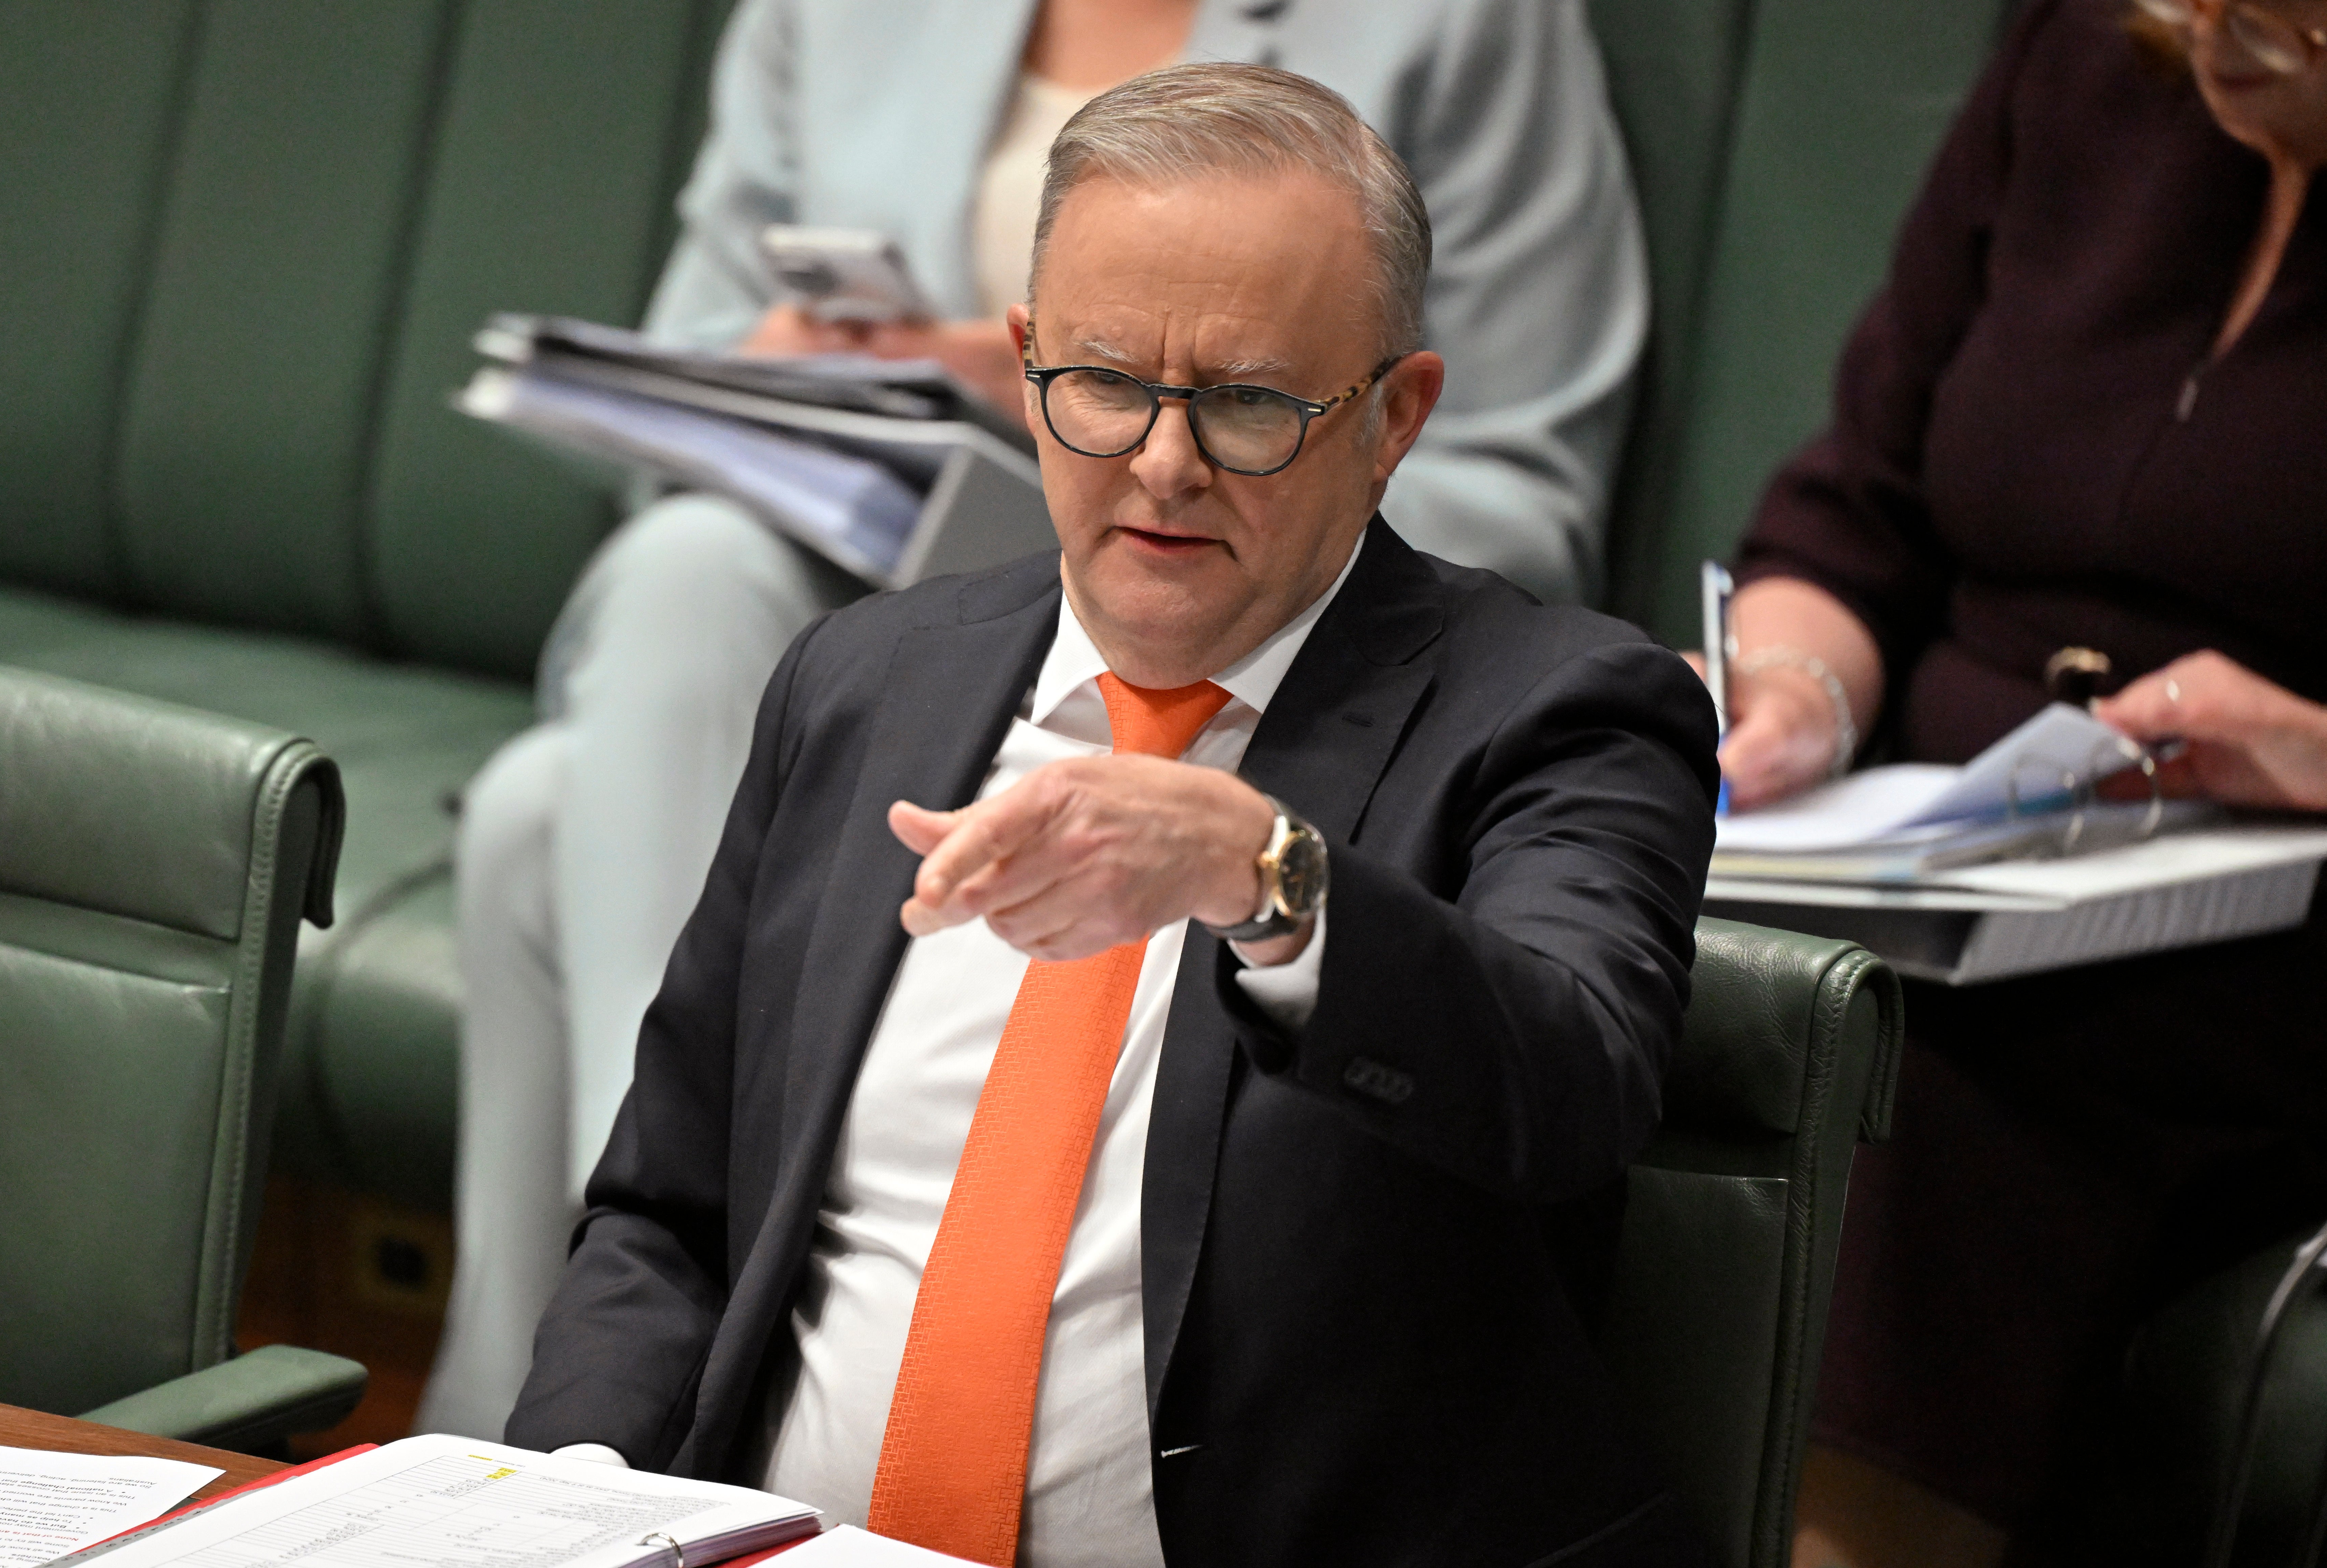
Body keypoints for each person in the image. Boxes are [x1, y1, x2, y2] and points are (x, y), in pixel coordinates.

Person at [501, 63, 1716, 1568]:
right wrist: (570, 1498)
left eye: (1248, 404)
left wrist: (1263, 873)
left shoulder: (1555, 711)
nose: (1161, 463)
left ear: (1394, 417)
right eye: (1106, 385)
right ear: (1023, 367)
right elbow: (667, 1216)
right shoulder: (866, 681)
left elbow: (1573, 1077)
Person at [1702, 0, 2327, 1562]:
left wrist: (2308, 748)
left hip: (2267, 942)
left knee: (1921, 1088)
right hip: (1959, 859)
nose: (2206, 37)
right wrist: (1795, 696)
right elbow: (1851, 506)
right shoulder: (2081, 73)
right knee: (1582, 960)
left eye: (2272, 14)